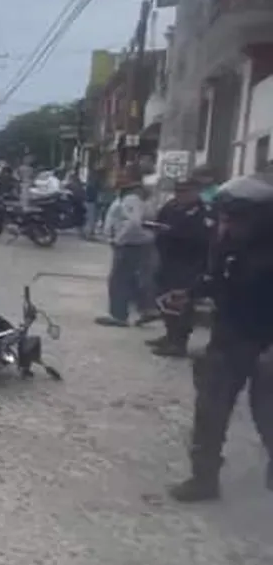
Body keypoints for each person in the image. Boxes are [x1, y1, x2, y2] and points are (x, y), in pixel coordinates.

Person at [160, 171, 273, 502]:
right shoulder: (229, 244)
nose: (226, 224)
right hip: (229, 339)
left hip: (266, 343)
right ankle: (204, 478)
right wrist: (189, 294)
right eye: (224, 217)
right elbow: (217, 278)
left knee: (268, 413)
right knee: (210, 411)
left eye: (234, 218)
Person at [145, 179, 211, 358]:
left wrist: (172, 233)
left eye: (185, 191)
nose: (180, 195)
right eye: (178, 191)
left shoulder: (202, 213)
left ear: (196, 191)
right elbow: (159, 220)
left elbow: (202, 239)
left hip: (188, 264)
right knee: (163, 299)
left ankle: (178, 341)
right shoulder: (171, 206)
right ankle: (169, 334)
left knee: (179, 302)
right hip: (167, 261)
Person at [96, 180, 160, 327]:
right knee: (137, 278)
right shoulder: (143, 202)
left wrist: (119, 239)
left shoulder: (131, 200)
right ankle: (146, 309)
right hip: (138, 243)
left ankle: (119, 315)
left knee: (118, 280)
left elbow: (133, 223)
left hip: (129, 244)